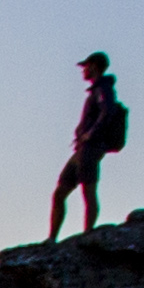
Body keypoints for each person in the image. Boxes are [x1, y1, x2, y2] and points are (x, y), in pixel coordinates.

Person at [47, 52, 127, 240]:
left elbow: (108, 110)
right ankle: (52, 238)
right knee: (60, 193)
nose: (83, 70)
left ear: (94, 67)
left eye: (85, 66)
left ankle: (88, 234)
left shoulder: (103, 89)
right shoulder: (98, 90)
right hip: (82, 149)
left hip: (91, 148)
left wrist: (91, 134)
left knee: (88, 190)